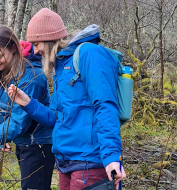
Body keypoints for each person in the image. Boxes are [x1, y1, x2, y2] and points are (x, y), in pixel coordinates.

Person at [8, 8, 126, 190]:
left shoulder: (88, 54)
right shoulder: (62, 66)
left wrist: (111, 157)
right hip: (66, 161)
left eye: (37, 43)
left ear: (49, 38)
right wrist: (28, 103)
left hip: (90, 162)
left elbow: (106, 106)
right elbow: (56, 118)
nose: (35, 50)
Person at [0, 24, 55, 190]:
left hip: (38, 145)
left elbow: (18, 123)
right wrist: (2, 138)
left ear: (13, 48)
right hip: (23, 142)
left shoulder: (31, 78)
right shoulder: (1, 71)